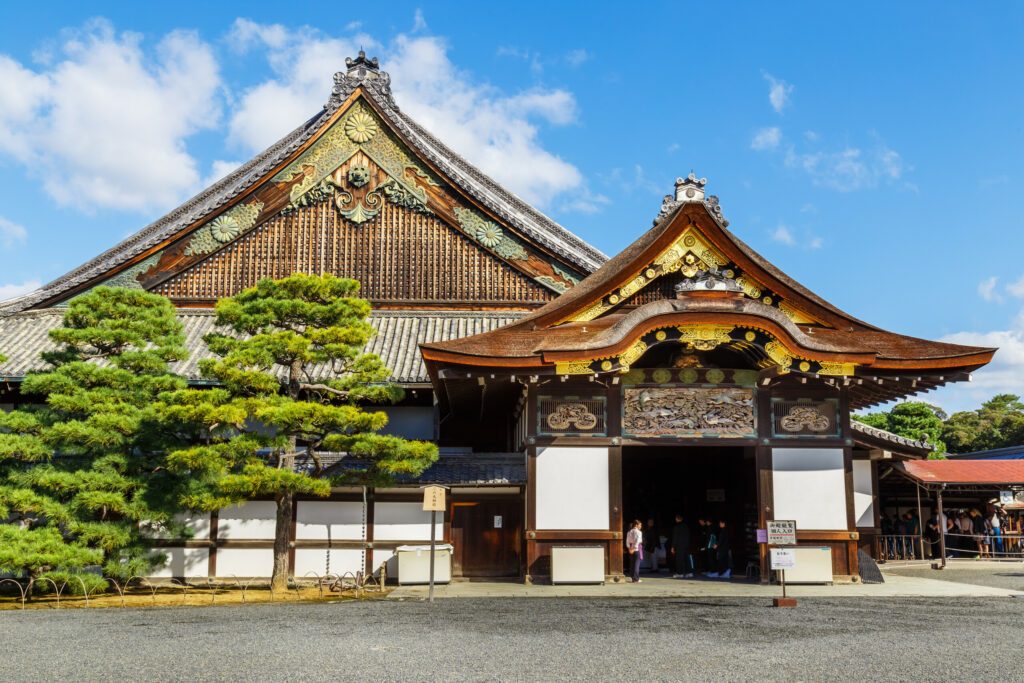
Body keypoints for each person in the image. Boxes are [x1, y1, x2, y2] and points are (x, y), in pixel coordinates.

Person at [669, 514, 693, 578]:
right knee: (686, 559)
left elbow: (675, 538)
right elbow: (689, 536)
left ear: (677, 519)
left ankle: (680, 573)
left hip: (679, 546)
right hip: (686, 545)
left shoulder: (677, 527)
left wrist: (673, 546)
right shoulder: (686, 527)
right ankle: (689, 572)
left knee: (679, 559)